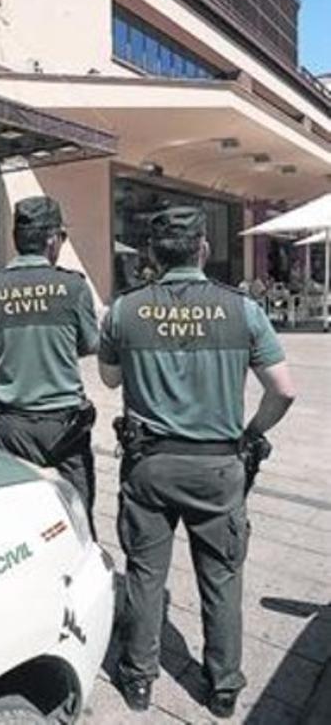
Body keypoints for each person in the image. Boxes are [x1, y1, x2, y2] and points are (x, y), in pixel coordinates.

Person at [98, 206, 295, 718]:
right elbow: (284, 391)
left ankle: (138, 681)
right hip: (218, 468)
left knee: (144, 572)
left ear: (152, 255)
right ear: (203, 249)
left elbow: (110, 381)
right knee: (222, 577)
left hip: (149, 467)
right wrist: (252, 432)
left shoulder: (124, 309)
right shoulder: (243, 309)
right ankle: (223, 686)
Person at [0, 195, 99, 529]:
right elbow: (90, 344)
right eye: (62, 236)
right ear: (50, 240)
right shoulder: (73, 287)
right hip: (64, 425)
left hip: (11, 422)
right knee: (77, 513)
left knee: (21, 515)